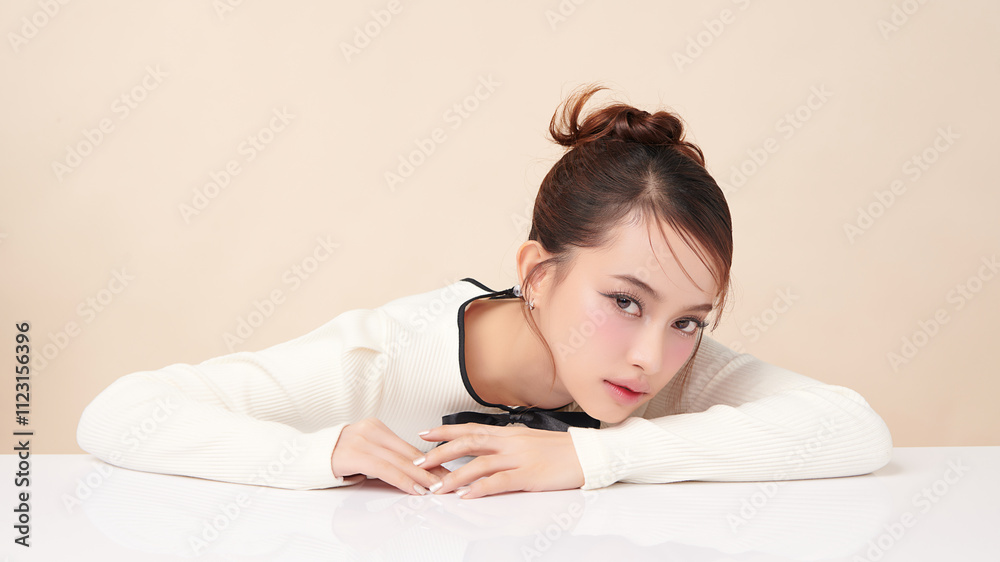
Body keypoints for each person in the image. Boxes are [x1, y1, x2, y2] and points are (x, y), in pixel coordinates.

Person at [77, 84, 893, 500]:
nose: (652, 357)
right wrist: (311, 454)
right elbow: (120, 413)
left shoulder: (670, 369)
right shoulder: (382, 356)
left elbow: (852, 430)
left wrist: (591, 456)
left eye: (688, 320)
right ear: (537, 272)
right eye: (624, 301)